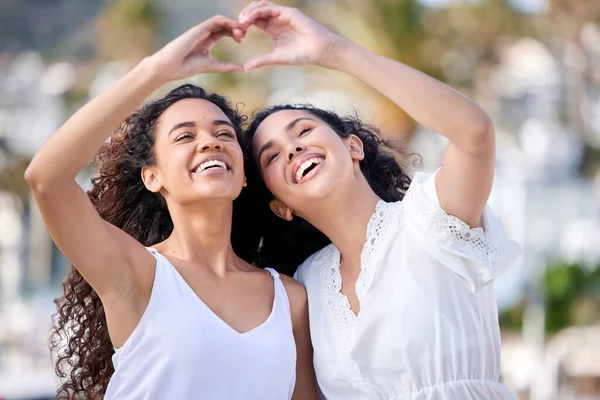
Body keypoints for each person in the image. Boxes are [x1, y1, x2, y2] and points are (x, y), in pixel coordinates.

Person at [25, 15, 316, 400]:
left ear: (243, 175)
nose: (210, 142)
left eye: (224, 133)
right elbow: (46, 179)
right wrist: (155, 70)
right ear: (152, 177)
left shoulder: (290, 299)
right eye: (185, 136)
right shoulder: (136, 273)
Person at [240, 2, 522, 399]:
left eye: (302, 130)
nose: (292, 148)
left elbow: (474, 133)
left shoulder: (430, 217)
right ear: (280, 207)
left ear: (353, 147)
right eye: (272, 155)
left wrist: (334, 52)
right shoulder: (307, 283)